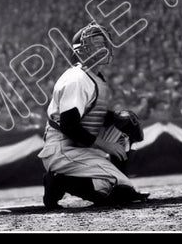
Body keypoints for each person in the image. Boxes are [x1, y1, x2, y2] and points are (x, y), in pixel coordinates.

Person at [37, 22, 148, 209]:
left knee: (125, 123)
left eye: (103, 43)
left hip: (79, 143)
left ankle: (113, 176)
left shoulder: (93, 76)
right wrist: (106, 145)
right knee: (116, 189)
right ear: (81, 51)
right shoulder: (77, 79)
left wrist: (119, 119)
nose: (102, 48)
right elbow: (68, 126)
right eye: (95, 44)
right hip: (64, 147)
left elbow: (93, 117)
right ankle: (58, 180)